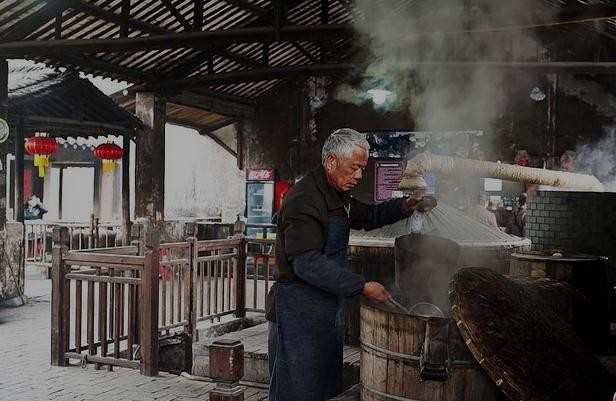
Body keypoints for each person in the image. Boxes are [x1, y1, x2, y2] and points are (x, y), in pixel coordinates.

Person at [267, 128, 436, 401]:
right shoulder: (304, 199)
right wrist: (362, 286)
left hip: (325, 307)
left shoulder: (337, 195)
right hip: (297, 310)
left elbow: (368, 216)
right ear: (331, 161)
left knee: (323, 386)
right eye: (354, 168)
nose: (358, 176)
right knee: (297, 390)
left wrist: (406, 205)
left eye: (362, 168)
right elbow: (306, 263)